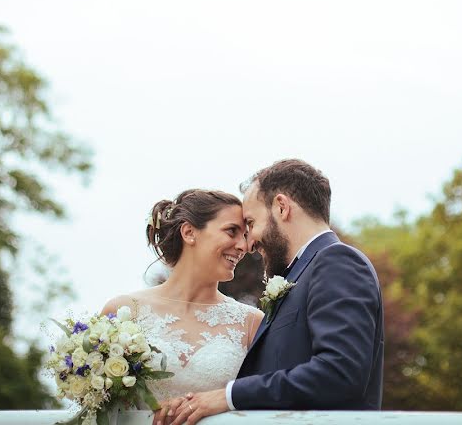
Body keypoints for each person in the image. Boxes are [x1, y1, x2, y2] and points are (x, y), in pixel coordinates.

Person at [164, 159, 385, 425]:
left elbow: (339, 373)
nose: (251, 242)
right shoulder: (302, 273)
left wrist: (228, 396)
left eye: (251, 222)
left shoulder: (336, 261)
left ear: (281, 207)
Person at [100, 189, 264, 417]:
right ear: (189, 232)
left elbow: (261, 404)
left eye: (245, 235)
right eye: (231, 231)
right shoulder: (124, 311)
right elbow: (101, 408)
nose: (243, 246)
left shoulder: (252, 322)